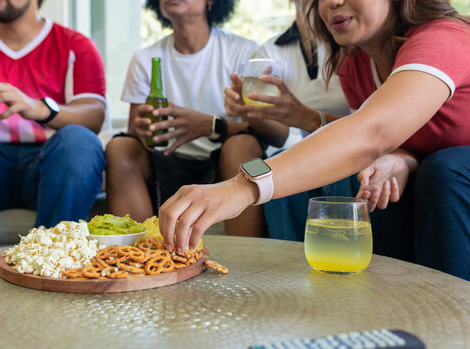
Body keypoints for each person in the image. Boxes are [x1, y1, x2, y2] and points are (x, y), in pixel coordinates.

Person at [159, 0, 470, 280]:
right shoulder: (355, 62)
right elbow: (393, 132)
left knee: (444, 170)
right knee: (362, 179)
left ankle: (452, 310)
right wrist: (402, 157)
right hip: (429, 167)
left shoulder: (441, 39)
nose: (331, 3)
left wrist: (245, 185)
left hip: (450, 173)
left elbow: (374, 133)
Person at [0, 0, 107, 258]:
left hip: (47, 170)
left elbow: (93, 115)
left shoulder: (75, 45)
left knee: (79, 141)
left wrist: (41, 109)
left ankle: (48, 266)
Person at [105, 0, 257, 222]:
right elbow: (136, 135)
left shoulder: (243, 51)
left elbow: (259, 132)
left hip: (224, 162)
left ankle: (247, 253)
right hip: (164, 164)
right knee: (121, 147)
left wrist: (212, 125)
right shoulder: (145, 58)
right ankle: (135, 251)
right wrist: (145, 132)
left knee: (243, 145)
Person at [219, 0, 351, 238]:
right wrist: (250, 109)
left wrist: (306, 117)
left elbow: (371, 122)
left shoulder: (351, 39)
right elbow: (279, 136)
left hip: (348, 144)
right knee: (274, 165)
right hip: (294, 150)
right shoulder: (269, 52)